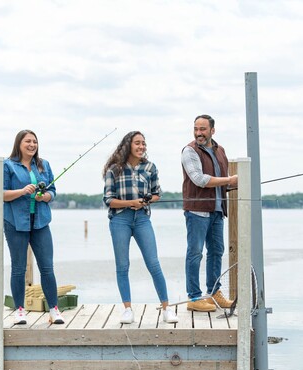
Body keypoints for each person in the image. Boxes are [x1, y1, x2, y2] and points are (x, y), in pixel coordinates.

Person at [102, 131, 179, 324]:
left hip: (142, 219)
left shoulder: (150, 167)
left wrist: (145, 201)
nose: (141, 147)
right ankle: (127, 310)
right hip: (120, 220)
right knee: (122, 266)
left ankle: (166, 308)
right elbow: (109, 200)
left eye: (144, 143)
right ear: (128, 145)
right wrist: (130, 203)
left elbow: (157, 194)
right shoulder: (114, 169)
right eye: (137, 143)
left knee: (153, 264)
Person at [3, 129, 64, 325]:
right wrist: (22, 191)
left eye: (34, 142)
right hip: (15, 223)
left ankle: (54, 310)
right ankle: (20, 310)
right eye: (28, 141)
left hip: (41, 222)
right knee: (18, 269)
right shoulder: (8, 165)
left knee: (47, 267)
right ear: (19, 144)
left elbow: (52, 192)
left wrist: (44, 196)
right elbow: (1, 194)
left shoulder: (43, 165)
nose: (32, 145)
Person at [181, 114, 238, 312]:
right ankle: (194, 298)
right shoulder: (189, 151)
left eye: (203, 129)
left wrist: (233, 183)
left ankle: (214, 293)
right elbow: (199, 179)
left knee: (216, 252)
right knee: (195, 253)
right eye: (196, 129)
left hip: (217, 211)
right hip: (196, 211)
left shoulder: (220, 151)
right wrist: (230, 180)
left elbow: (221, 181)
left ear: (212, 130)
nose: (199, 133)